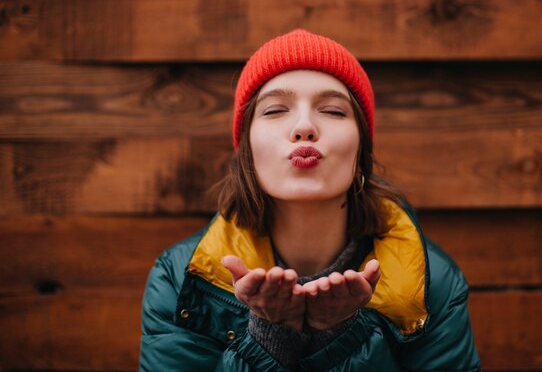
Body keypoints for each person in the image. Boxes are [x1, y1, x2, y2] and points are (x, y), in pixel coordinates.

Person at [139, 29, 481, 371]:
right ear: (247, 148)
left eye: (333, 111)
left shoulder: (433, 281)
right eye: (274, 110)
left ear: (361, 149)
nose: (304, 126)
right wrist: (269, 335)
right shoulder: (180, 278)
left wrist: (340, 334)